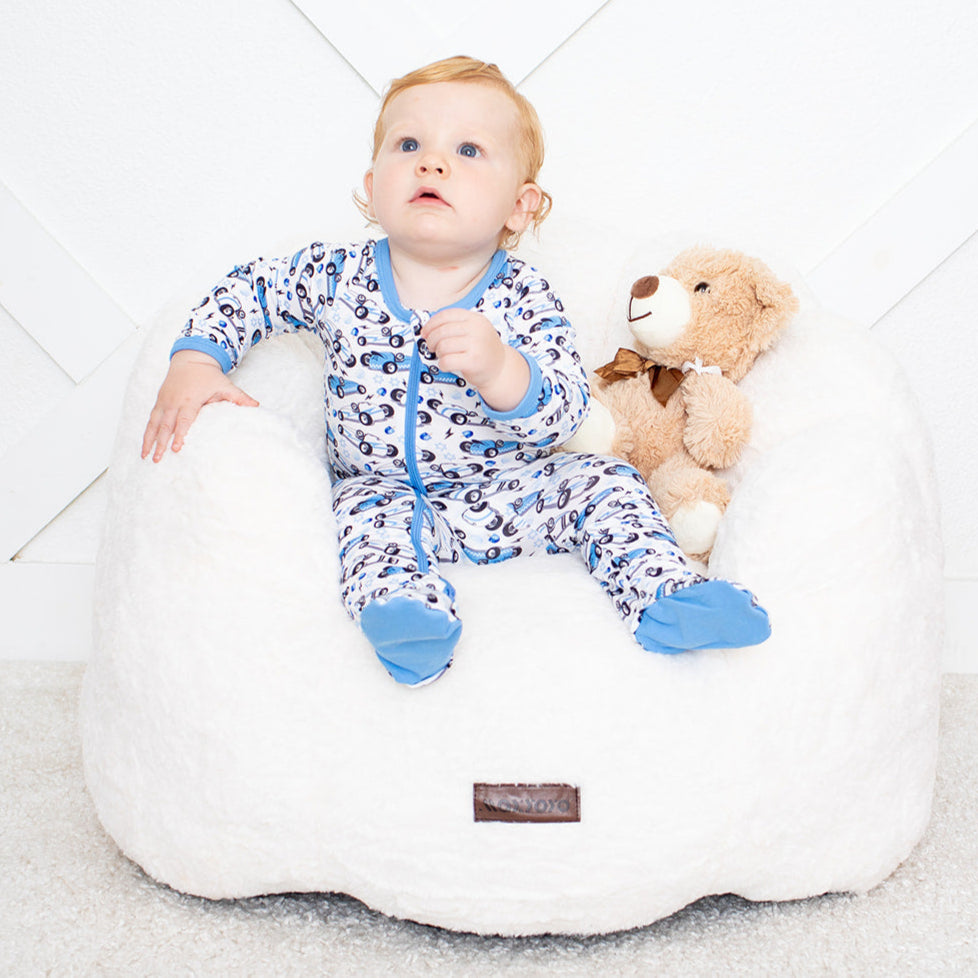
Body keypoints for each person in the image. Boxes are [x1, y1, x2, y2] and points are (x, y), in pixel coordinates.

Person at [141, 56, 770, 687]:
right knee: (365, 524)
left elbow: (571, 407)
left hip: (511, 490)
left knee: (605, 480)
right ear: (371, 183)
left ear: (519, 207)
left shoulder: (523, 295)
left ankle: (665, 598)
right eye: (408, 144)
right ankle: (411, 622)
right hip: (386, 491)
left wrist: (503, 370)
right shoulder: (337, 276)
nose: (431, 162)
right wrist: (196, 359)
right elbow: (251, 290)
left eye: (468, 150)